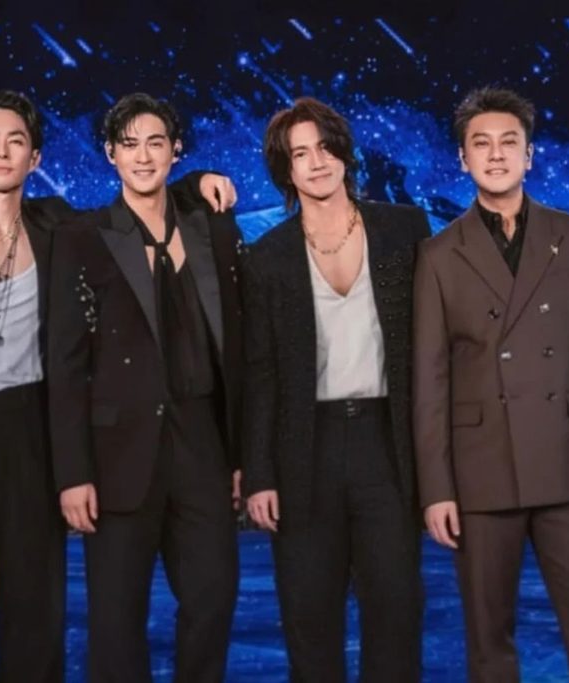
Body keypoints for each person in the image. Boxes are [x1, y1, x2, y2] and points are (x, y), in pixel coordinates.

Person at [0, 89, 234, 682]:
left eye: (16, 141)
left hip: (31, 430)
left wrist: (196, 183)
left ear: (34, 158)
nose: (2, 152)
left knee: (35, 608)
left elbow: (140, 196)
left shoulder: (60, 227)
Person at [412, 86, 569, 683]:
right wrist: (437, 489)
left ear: (529, 155)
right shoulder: (438, 254)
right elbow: (430, 379)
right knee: (489, 639)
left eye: (509, 142)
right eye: (481, 143)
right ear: (462, 158)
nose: (496, 154)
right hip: (480, 472)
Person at [48, 93, 243, 682]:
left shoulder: (211, 226)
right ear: (110, 154)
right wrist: (72, 472)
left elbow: (241, 345)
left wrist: (242, 455)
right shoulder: (82, 237)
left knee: (214, 598)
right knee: (115, 622)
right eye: (128, 144)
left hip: (203, 445)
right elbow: (64, 364)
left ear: (176, 150)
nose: (142, 155)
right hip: (116, 456)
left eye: (155, 142)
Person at [242, 97, 429, 681]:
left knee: (396, 611)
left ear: (344, 154)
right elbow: (260, 372)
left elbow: (434, 346)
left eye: (325, 148)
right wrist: (260, 474)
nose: (317, 162)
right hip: (305, 450)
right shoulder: (267, 257)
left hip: (386, 444)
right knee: (310, 615)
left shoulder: (403, 229)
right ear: (286, 170)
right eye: (300, 154)